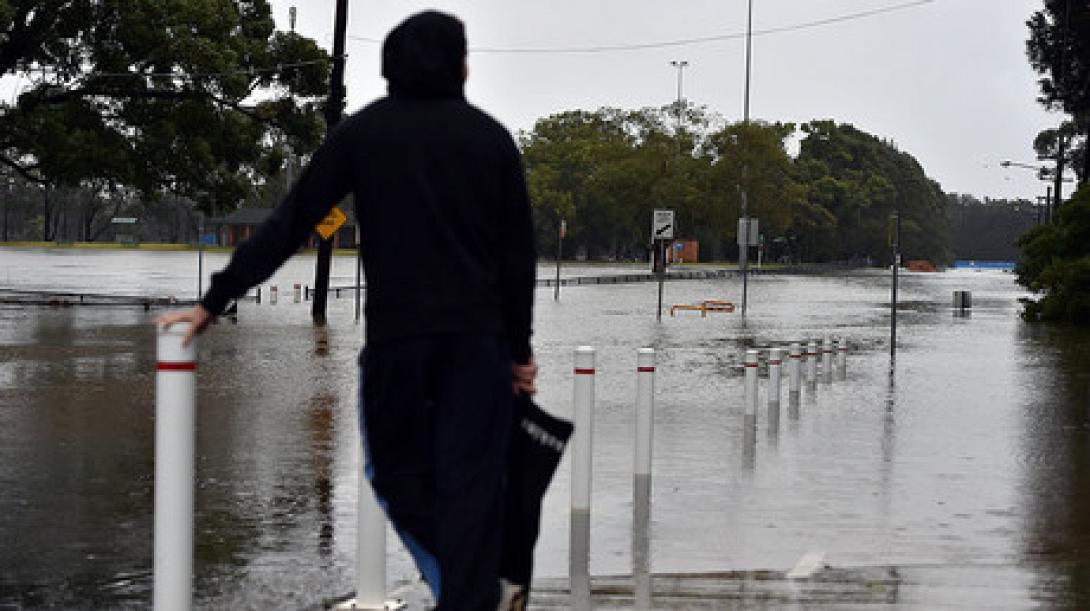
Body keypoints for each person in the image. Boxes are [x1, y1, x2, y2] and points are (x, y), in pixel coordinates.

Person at [156, 10, 537, 610]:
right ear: (460, 63)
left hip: (398, 349)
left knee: (394, 479)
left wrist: (214, 301)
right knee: (469, 492)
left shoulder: (364, 134)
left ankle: (473, 588)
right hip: (478, 350)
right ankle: (476, 586)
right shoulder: (490, 140)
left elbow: (289, 225)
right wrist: (518, 353)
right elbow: (520, 262)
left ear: (391, 63)